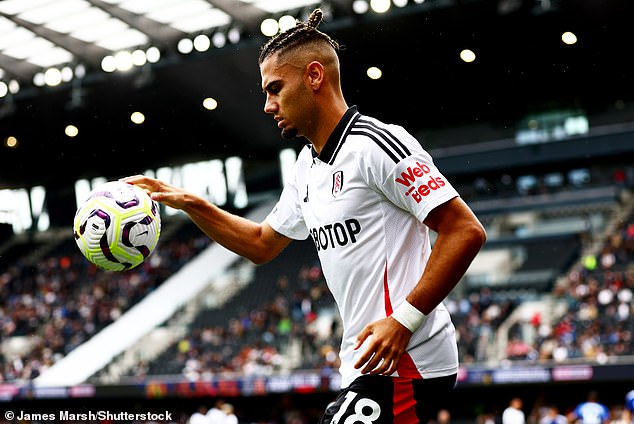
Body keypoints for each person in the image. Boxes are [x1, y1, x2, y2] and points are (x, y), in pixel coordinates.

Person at [123, 8, 486, 423]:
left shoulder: (375, 145)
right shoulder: (305, 168)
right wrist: (191, 203)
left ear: (314, 76)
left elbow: (464, 230)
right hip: (363, 366)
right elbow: (261, 244)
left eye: (275, 88)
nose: (267, 105)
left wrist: (403, 321)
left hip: (408, 363)